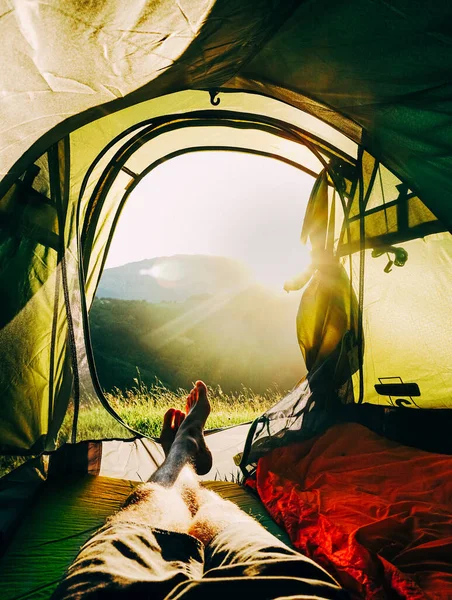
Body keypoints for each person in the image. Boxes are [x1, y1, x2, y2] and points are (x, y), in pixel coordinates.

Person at [52, 381, 348, 599]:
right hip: (286, 590)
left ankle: (181, 451)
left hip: (113, 588)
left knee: (158, 497)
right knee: (226, 520)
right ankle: (187, 447)